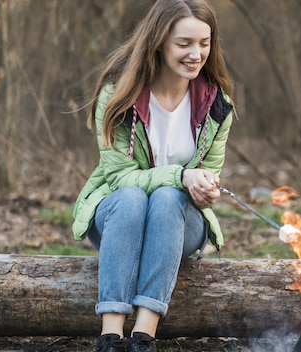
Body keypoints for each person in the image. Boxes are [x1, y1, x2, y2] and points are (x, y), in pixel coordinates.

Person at [71, 0, 234, 351]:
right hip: (119, 220)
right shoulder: (118, 96)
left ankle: (144, 336)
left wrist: (204, 189)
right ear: (159, 42)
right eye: (184, 44)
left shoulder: (217, 106)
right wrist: (181, 175)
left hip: (178, 224)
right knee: (133, 196)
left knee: (168, 196)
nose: (196, 53)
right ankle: (110, 336)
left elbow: (206, 175)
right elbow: (119, 177)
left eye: (204, 43)